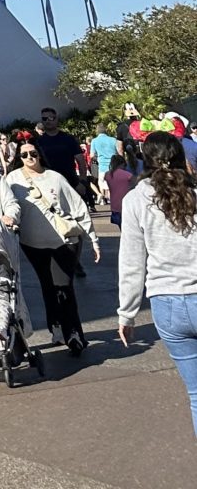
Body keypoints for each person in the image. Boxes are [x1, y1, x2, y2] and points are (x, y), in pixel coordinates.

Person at [118, 130, 197, 435]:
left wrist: (127, 313)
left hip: (166, 303)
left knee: (195, 393)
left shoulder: (135, 200)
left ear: (144, 160)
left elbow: (132, 261)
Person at [9, 139, 99, 354]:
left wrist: (93, 239)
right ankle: (56, 327)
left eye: (33, 153)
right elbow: (6, 206)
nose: (30, 158)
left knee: (64, 287)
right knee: (48, 286)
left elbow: (78, 207)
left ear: (39, 154)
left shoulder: (55, 177)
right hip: (32, 244)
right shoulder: (12, 180)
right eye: (24, 155)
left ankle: (74, 334)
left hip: (63, 241)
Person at [35, 107, 88, 201]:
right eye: (44, 118)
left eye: (51, 118)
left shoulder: (68, 139)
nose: (48, 121)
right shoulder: (39, 142)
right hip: (48, 185)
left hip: (71, 182)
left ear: (56, 119)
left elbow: (81, 161)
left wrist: (82, 182)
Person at [106, 152, 135, 227]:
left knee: (120, 225)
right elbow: (135, 184)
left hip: (114, 204)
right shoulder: (127, 175)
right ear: (122, 164)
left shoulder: (108, 174)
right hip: (126, 203)